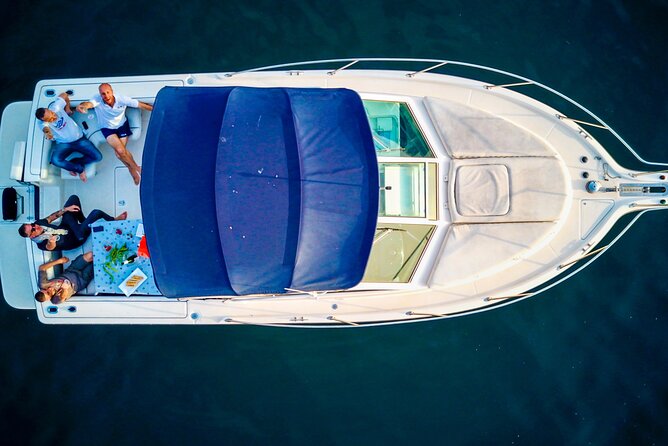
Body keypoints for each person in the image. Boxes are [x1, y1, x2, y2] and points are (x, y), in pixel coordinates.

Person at [77, 83, 153, 185]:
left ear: (112, 91)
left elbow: (141, 105)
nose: (106, 96)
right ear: (100, 94)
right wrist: (82, 106)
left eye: (108, 92)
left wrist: (157, 110)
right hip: (107, 129)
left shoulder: (122, 99)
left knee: (119, 154)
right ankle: (136, 169)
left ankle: (131, 170)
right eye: (103, 94)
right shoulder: (97, 100)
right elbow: (88, 104)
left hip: (122, 126)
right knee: (121, 151)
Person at [18, 194, 127, 251]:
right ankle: (114, 220)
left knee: (73, 199)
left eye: (32, 224)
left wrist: (66, 209)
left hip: (68, 227)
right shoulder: (41, 244)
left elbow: (52, 217)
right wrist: (52, 241)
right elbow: (50, 246)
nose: (35, 226)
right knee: (96, 213)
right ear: (31, 236)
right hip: (75, 239)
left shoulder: (39, 223)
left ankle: (83, 223)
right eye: (33, 229)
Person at [35, 93, 103, 182]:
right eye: (50, 118)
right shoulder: (42, 124)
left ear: (49, 109)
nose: (54, 116)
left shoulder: (56, 107)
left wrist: (67, 108)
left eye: (51, 113)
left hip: (79, 139)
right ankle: (79, 169)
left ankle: (75, 162)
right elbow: (46, 129)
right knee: (55, 160)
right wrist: (48, 134)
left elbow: (64, 95)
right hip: (64, 144)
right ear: (44, 120)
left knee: (98, 157)